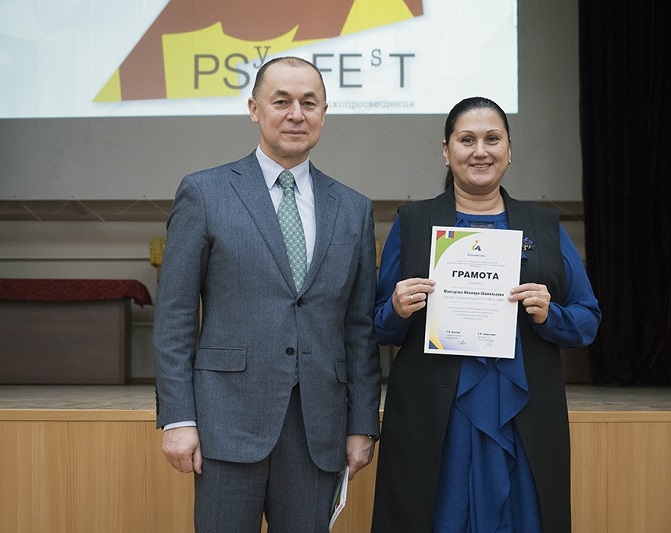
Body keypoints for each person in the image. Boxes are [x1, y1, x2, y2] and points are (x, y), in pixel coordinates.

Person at [153, 56, 382, 533]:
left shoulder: (354, 208)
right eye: (282, 102)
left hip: (318, 428)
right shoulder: (204, 192)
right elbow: (175, 315)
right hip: (225, 422)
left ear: (324, 113)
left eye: (309, 103)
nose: (296, 114)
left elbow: (359, 328)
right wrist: (177, 418)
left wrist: (362, 423)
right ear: (254, 109)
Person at [370, 96, 601, 532]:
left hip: (523, 411)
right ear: (446, 150)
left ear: (509, 150)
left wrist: (550, 314)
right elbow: (378, 325)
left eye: (492, 139)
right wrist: (397, 308)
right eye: (467, 140)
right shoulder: (414, 221)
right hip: (435, 415)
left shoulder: (543, 225)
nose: (480, 151)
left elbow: (587, 319)